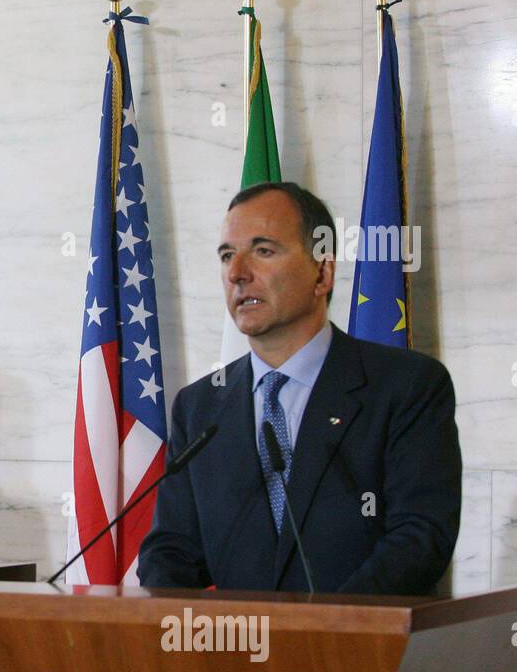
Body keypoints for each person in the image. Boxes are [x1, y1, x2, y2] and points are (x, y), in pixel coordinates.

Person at [138, 182, 461, 594]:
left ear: (322, 272)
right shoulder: (200, 406)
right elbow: (170, 549)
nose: (237, 273)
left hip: (355, 651)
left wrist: (323, 634)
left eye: (264, 250)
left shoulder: (406, 387)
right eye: (226, 255)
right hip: (231, 651)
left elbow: (419, 540)